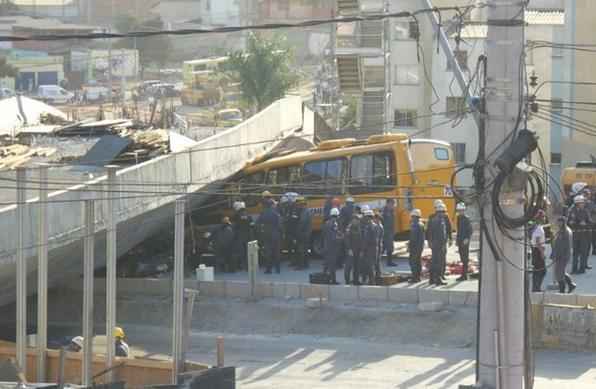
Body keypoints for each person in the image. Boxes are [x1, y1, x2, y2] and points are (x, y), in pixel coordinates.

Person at [427, 200, 452, 286]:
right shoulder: (439, 221)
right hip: (439, 244)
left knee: (434, 261)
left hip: (435, 244)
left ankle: (432, 279)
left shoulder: (434, 219)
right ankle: (438, 279)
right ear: (440, 212)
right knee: (438, 261)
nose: (444, 214)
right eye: (443, 212)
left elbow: (429, 232)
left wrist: (430, 242)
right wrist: (442, 243)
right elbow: (440, 234)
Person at [256, 192, 283, 274]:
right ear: (271, 205)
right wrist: (281, 233)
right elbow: (280, 224)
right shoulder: (276, 213)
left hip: (266, 234)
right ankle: (278, 269)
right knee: (277, 252)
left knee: (268, 252)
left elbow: (257, 223)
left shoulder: (263, 213)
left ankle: (268, 269)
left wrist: (261, 230)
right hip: (276, 234)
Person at [551, 216, 577, 294]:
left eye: (560, 222)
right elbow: (556, 243)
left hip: (563, 256)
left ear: (563, 222)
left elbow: (568, 245)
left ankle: (563, 289)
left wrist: (563, 255)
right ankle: (570, 284)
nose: (558, 223)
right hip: (558, 255)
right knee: (559, 272)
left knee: (560, 272)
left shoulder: (566, 231)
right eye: (558, 222)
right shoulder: (560, 231)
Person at [567, 194, 592, 274]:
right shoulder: (571, 211)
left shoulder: (585, 211)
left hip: (584, 234)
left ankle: (582, 269)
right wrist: (576, 223)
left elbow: (590, 222)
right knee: (575, 253)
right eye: (582, 203)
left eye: (583, 203)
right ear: (577, 203)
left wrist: (586, 224)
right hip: (575, 234)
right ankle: (574, 269)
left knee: (583, 252)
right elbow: (569, 223)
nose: (583, 204)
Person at [322, 208, 342, 284]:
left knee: (326, 263)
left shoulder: (327, 223)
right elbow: (334, 237)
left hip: (326, 245)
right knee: (332, 264)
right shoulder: (334, 223)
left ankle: (324, 278)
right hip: (332, 247)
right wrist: (340, 238)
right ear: (336, 215)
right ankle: (333, 280)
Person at [455, 202, 473, 281]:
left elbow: (470, 230)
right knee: (462, 258)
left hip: (465, 241)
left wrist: (467, 239)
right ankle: (464, 275)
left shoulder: (466, 218)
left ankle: (464, 275)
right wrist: (457, 240)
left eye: (461, 210)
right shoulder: (459, 218)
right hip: (460, 240)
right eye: (459, 210)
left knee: (465, 258)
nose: (460, 212)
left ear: (464, 210)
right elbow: (458, 230)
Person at [344, 211, 363, 285]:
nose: (358, 221)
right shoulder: (349, 228)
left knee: (357, 266)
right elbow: (346, 240)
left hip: (357, 250)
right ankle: (347, 281)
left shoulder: (359, 228)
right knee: (348, 267)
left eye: (358, 220)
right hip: (351, 251)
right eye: (356, 220)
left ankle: (356, 281)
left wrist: (361, 250)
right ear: (352, 220)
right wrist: (349, 249)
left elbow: (361, 239)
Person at [360, 207, 378, 285]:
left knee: (368, 266)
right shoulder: (375, 225)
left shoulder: (369, 226)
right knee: (371, 265)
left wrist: (362, 250)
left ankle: (371, 281)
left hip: (369, 249)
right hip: (373, 248)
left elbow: (366, 240)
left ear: (367, 217)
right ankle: (371, 280)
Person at [232, 201, 251, 271]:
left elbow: (234, 226)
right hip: (248, 235)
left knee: (241, 252)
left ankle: (241, 266)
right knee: (247, 252)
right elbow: (251, 223)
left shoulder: (236, 215)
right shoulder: (247, 214)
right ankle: (248, 266)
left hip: (239, 236)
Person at [531, 211, 547, 292]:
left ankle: (536, 287)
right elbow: (538, 241)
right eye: (543, 217)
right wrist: (542, 253)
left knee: (537, 270)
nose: (544, 218)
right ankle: (537, 288)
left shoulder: (536, 227)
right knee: (541, 271)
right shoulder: (538, 228)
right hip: (537, 251)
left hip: (536, 250)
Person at [295, 196, 312, 269]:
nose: (298, 206)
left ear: (302, 204)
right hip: (307, 233)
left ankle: (301, 266)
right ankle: (306, 264)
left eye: (299, 204)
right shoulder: (307, 211)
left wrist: (297, 232)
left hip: (303, 234)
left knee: (301, 250)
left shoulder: (304, 212)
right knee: (305, 249)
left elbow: (302, 222)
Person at [408, 209, 425, 283]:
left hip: (414, 247)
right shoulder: (421, 224)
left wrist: (409, 246)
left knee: (413, 262)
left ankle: (414, 277)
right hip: (420, 246)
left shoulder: (414, 224)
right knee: (418, 261)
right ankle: (418, 277)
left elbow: (413, 238)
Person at [381, 199, 397, 267]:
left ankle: (389, 262)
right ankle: (388, 262)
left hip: (390, 232)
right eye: (392, 204)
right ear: (387, 203)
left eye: (393, 204)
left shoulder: (391, 211)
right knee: (384, 247)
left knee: (389, 247)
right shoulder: (384, 211)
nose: (393, 205)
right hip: (385, 232)